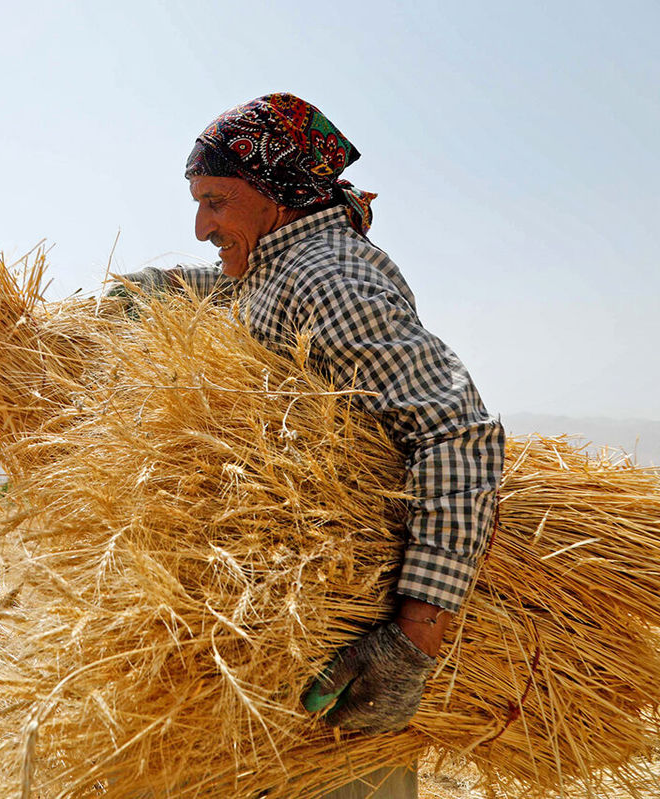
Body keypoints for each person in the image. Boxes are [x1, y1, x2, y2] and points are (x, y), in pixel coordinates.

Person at [113, 93, 505, 799]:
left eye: (214, 201)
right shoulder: (278, 267)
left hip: (346, 655)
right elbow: (240, 296)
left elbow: (457, 433)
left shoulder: (329, 278)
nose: (200, 225)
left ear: (274, 193)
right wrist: (154, 290)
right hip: (289, 651)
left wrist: (412, 640)